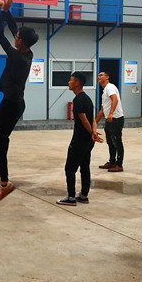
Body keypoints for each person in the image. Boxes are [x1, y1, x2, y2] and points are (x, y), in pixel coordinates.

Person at [0, 0, 39, 201]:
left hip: (11, 105)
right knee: (2, 137)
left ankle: (5, 183)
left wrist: (3, 12)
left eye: (17, 36)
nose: (15, 36)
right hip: (16, 103)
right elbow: (12, 28)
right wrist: (7, 9)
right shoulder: (27, 52)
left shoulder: (17, 56)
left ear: (21, 41)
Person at [57, 72, 103, 206]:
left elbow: (84, 120)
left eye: (71, 80)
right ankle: (83, 195)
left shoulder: (78, 100)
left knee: (70, 168)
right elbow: (93, 119)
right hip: (88, 141)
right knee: (84, 167)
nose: (69, 82)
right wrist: (93, 133)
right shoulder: (87, 98)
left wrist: (92, 132)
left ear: (77, 83)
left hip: (79, 140)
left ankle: (71, 197)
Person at [93, 71, 125, 172]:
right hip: (109, 119)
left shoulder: (110, 87)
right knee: (110, 142)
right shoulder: (104, 91)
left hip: (116, 119)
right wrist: (95, 122)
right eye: (98, 75)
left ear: (107, 77)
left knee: (117, 141)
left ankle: (119, 164)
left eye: (101, 75)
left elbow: (115, 99)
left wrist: (111, 113)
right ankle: (112, 161)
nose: (99, 77)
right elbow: (103, 109)